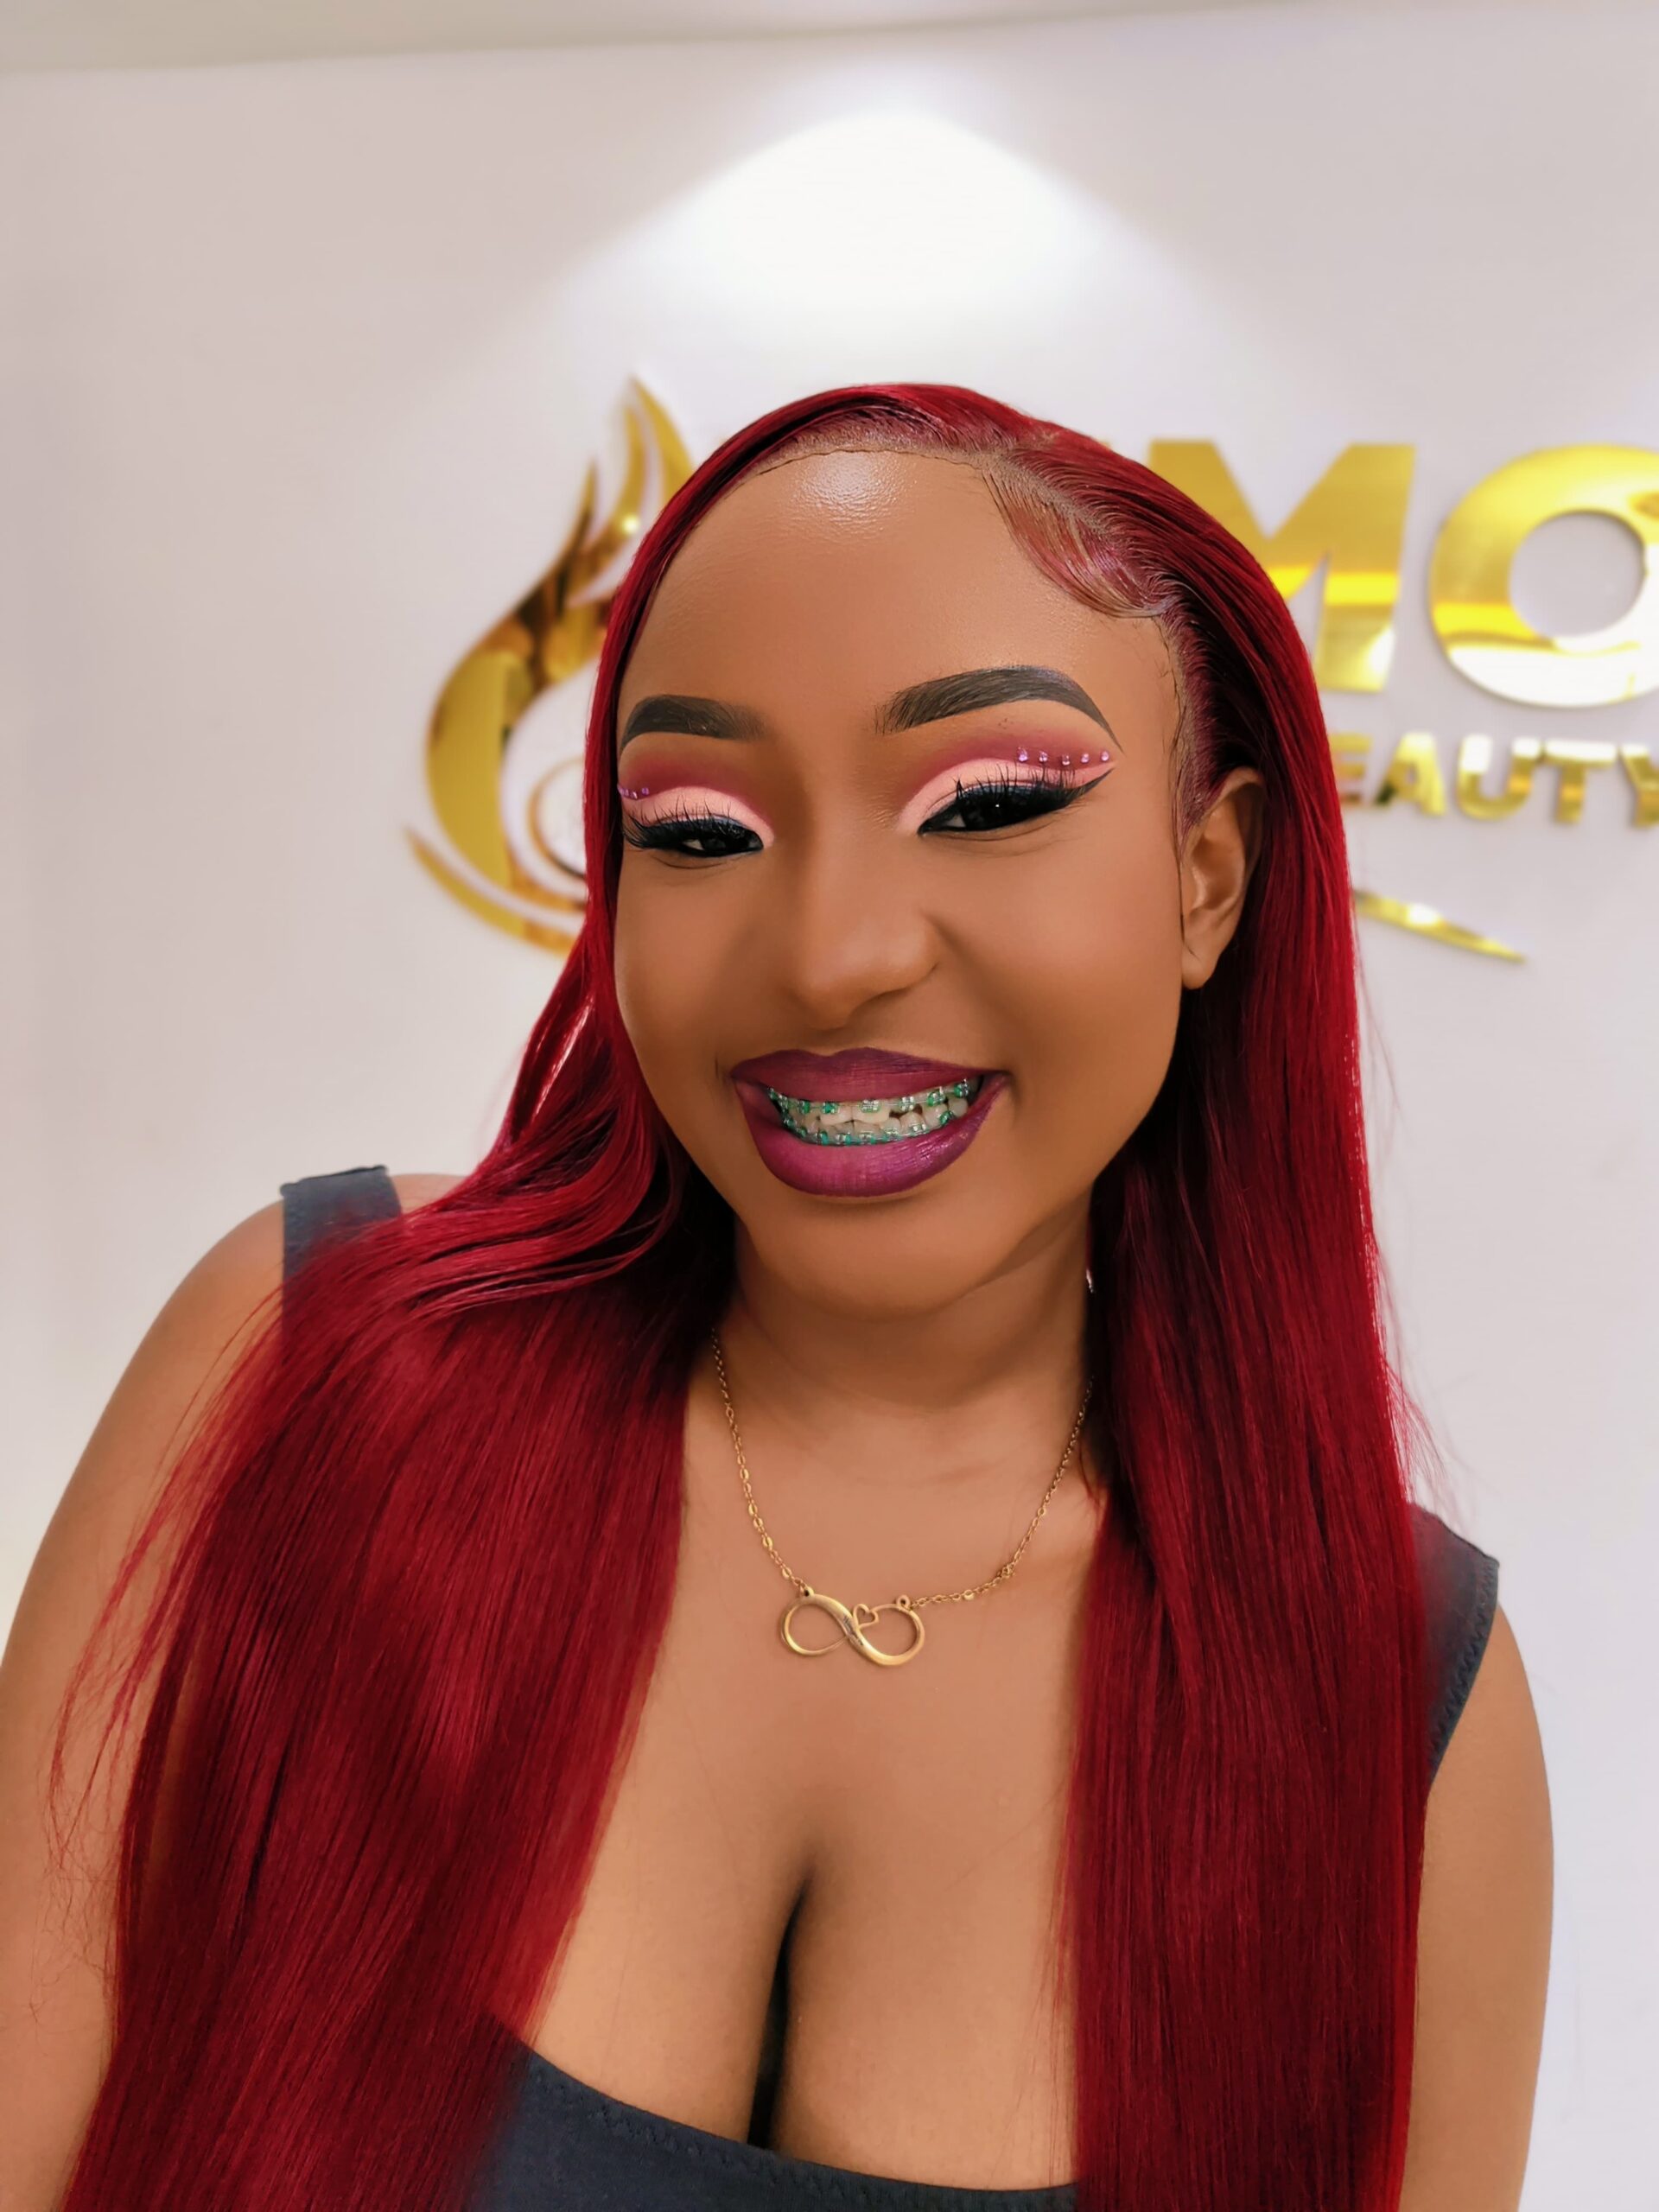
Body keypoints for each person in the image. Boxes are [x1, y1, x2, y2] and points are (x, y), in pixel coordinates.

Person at [0, 384, 1552, 2212]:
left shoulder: (1397, 1703)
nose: (829, 954)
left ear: (1208, 880)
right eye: (700, 828)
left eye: (986, 805)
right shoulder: (306, 1364)